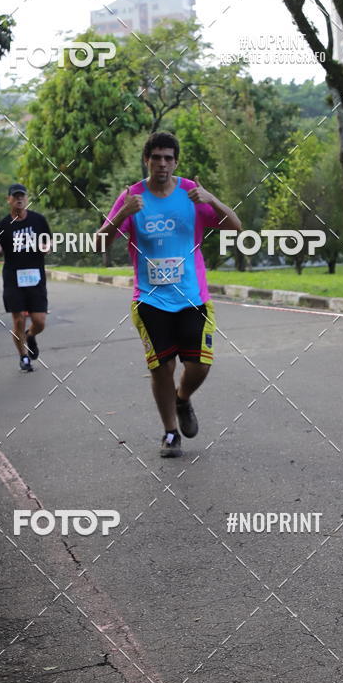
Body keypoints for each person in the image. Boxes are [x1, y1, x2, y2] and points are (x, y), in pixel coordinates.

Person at [96, 131, 242, 457]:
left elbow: (235, 226)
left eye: (168, 158)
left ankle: (183, 398)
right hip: (150, 299)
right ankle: (170, 432)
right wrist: (121, 214)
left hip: (192, 297)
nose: (162, 163)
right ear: (146, 160)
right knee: (161, 368)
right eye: (156, 157)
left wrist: (212, 199)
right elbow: (98, 243)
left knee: (199, 366)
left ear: (175, 161)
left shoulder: (191, 193)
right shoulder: (131, 196)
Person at [0, 184, 51, 372]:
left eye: (22, 196)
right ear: (9, 200)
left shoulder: (38, 220)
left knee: (39, 320)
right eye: (15, 196)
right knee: (18, 320)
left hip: (35, 276)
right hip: (13, 278)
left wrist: (47, 247)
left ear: (26, 198)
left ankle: (30, 336)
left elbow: (48, 241)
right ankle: (23, 357)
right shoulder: (3, 225)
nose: (19, 199)